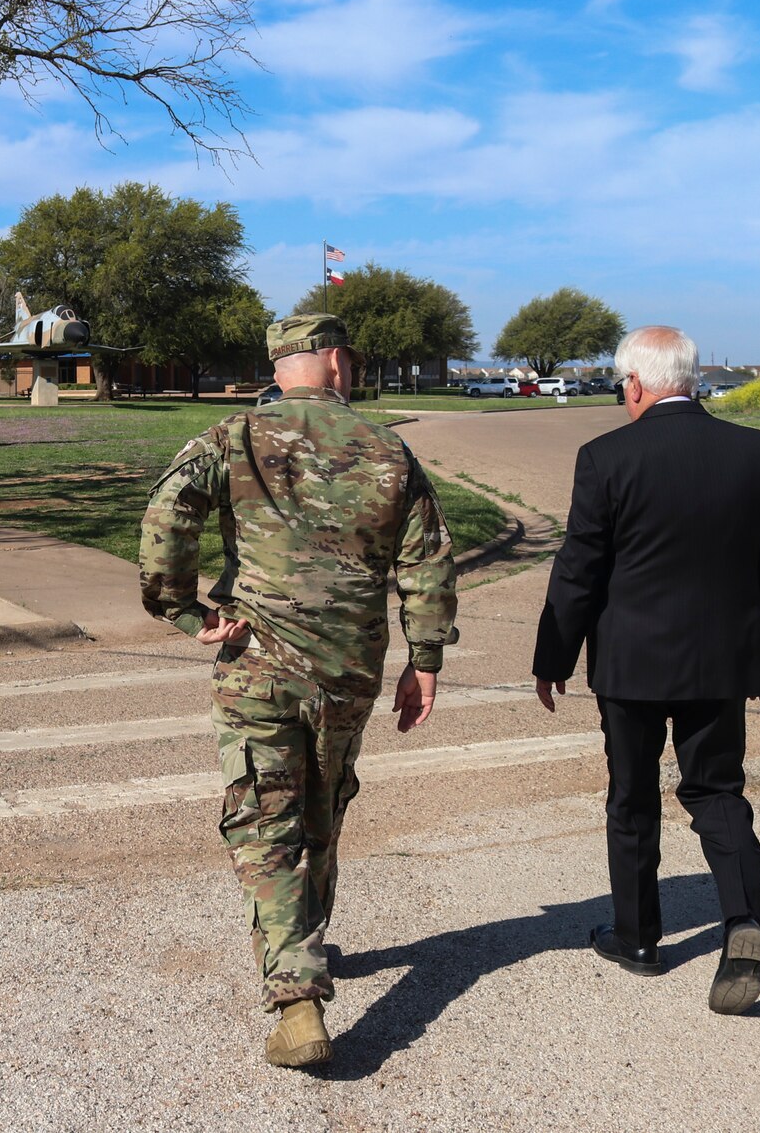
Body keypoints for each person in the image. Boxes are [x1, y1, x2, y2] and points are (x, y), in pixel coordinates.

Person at [138, 313, 458, 1068]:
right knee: (321, 807)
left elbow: (164, 518)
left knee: (264, 818)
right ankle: (305, 949)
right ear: (337, 362)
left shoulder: (235, 437)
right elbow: (428, 561)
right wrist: (427, 658)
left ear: (282, 366)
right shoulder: (389, 448)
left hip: (258, 660)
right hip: (350, 665)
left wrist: (183, 608)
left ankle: (296, 998)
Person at [531, 325, 760, 1015]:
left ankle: (639, 938)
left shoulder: (606, 457)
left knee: (633, 797)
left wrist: (552, 657)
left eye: (624, 384)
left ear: (638, 384)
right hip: (723, 659)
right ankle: (742, 918)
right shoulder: (759, 452)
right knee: (716, 790)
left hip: (632, 663)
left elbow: (579, 567)